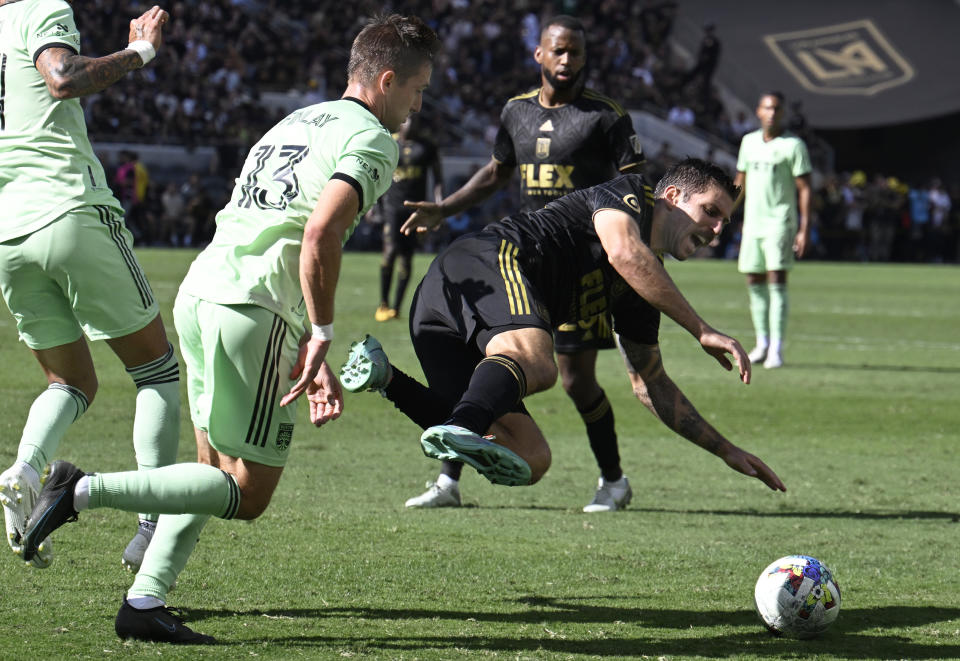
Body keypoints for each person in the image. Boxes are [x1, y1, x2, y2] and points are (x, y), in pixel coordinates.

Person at [21, 14, 440, 644]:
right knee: (246, 493)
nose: (418, 104)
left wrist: (300, 339)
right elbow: (320, 232)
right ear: (387, 80)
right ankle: (79, 491)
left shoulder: (297, 121)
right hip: (251, 308)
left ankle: (144, 602)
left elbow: (272, 224)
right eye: (418, 90)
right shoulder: (375, 141)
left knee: (209, 466)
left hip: (203, 293)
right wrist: (320, 330)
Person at [341, 158, 786, 505]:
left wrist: (726, 450)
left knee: (530, 457)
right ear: (671, 196)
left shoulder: (642, 290)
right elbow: (625, 253)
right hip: (484, 262)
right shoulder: (634, 195)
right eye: (710, 211)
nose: (717, 229)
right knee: (538, 363)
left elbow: (651, 386)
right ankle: (463, 423)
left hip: (442, 310)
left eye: (725, 221)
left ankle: (385, 378)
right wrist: (701, 330)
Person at [400, 15, 647, 512]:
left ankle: (614, 480)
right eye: (558, 51)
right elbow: (495, 173)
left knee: (576, 380)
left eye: (575, 52)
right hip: (519, 263)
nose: (566, 61)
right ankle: (449, 481)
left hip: (581, 267)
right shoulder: (516, 112)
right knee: (485, 363)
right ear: (539, 54)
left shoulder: (606, 116)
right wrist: (445, 208)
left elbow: (638, 186)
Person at [0, 2, 178, 574]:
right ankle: (152, 523)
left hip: (7, 235)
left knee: (70, 380)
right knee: (156, 370)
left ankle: (26, 470)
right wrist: (141, 52)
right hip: (68, 208)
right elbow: (63, 79)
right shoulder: (40, 9)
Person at [733, 91, 811, 369]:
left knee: (776, 279)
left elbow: (804, 188)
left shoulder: (794, 145)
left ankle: (777, 348)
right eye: (767, 108)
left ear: (783, 113)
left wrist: (804, 229)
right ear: (758, 111)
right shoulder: (748, 142)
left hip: (780, 220)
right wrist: (723, 216)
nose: (772, 113)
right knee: (753, 281)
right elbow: (739, 183)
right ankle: (762, 342)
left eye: (777, 109)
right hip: (753, 222)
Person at [373, 115, 442, 322]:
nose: (412, 125)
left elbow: (438, 178)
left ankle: (396, 307)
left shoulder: (428, 147)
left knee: (406, 257)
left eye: (416, 121)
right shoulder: (389, 143)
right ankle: (383, 303)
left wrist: (440, 207)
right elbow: (377, 174)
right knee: (390, 252)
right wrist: (374, 206)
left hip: (416, 210)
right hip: (392, 208)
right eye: (408, 121)